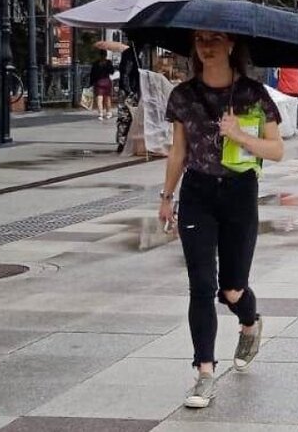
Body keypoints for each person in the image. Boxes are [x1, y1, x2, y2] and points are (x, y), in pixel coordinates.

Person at [158, 31, 284, 409]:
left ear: (231, 44)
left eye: (214, 39)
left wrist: (241, 135)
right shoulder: (183, 95)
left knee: (230, 289)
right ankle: (205, 373)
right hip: (197, 193)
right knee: (201, 284)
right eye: (199, 40)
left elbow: (276, 150)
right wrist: (166, 197)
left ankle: (250, 321)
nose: (206, 46)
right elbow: (178, 151)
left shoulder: (254, 94)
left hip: (239, 193)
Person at [114, 45, 141, 153]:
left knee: (130, 117)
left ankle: (125, 141)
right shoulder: (131, 54)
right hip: (128, 91)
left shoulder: (135, 54)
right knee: (125, 116)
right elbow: (125, 73)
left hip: (132, 89)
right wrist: (128, 90)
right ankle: (122, 141)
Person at [89, 52, 116, 121]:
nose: (103, 56)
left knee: (104, 98)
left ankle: (105, 113)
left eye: (103, 55)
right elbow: (93, 73)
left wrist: (91, 83)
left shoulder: (105, 63)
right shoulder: (100, 63)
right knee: (103, 98)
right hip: (103, 82)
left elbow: (112, 71)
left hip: (102, 82)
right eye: (102, 55)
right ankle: (104, 113)